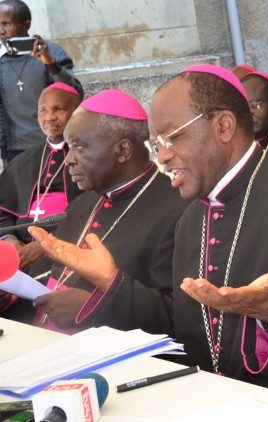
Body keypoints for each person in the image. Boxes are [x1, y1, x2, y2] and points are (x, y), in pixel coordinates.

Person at [30, 64, 268, 400]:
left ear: (223, 126)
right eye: (155, 144)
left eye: (172, 137)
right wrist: (111, 285)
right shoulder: (193, 216)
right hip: (209, 399)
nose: (162, 156)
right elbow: (182, 329)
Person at [25, 89, 190, 334]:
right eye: (69, 147)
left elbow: (180, 317)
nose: (68, 159)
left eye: (79, 147)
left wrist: (94, 308)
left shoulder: (180, 211)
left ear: (123, 150)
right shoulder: (82, 205)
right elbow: (55, 275)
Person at [0, 82, 82, 267]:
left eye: (58, 109)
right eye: (43, 111)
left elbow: (95, 209)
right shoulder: (23, 161)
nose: (49, 117)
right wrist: (9, 239)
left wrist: (48, 244)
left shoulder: (88, 158)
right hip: (20, 249)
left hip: (67, 248)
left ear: (75, 112)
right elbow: (2, 211)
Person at [0, 0, 82, 162]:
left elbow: (74, 93)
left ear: (26, 25)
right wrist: (3, 146)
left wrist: (50, 62)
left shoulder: (52, 52)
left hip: (56, 144)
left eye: (6, 24)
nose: (1, 30)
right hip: (16, 151)